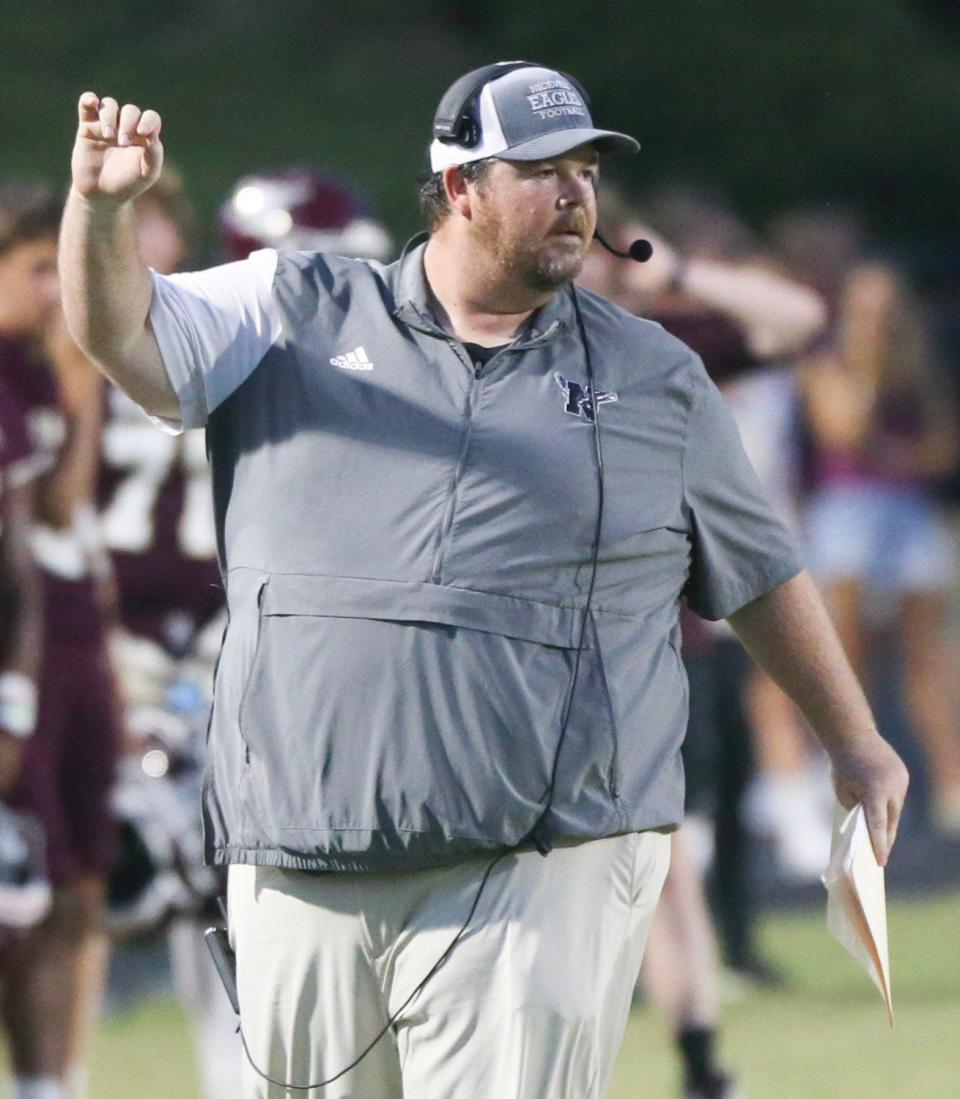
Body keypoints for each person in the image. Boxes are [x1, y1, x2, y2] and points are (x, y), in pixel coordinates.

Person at [60, 63, 908, 1099]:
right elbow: (118, 333)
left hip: (537, 859)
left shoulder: (653, 373)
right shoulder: (288, 308)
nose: (576, 195)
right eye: (543, 170)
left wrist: (855, 741)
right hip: (299, 852)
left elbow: (761, 571)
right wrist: (101, 215)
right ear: (461, 187)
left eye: (586, 169)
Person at [0, 181, 120, 1099]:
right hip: (25, 662)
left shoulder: (34, 370)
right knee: (24, 888)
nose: (53, 290)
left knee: (68, 880)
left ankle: (54, 1084)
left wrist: (81, 388)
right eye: (37, 268)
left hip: (57, 650)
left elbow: (54, 517)